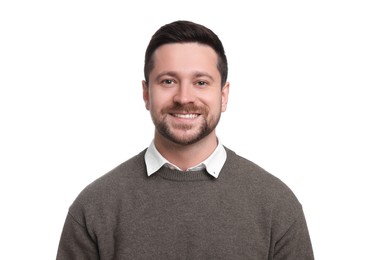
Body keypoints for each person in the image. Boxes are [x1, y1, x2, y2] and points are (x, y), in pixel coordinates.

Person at [56, 20, 314, 260]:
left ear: (223, 95)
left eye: (201, 82)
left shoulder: (277, 206)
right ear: (146, 94)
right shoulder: (93, 208)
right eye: (168, 81)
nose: (184, 97)